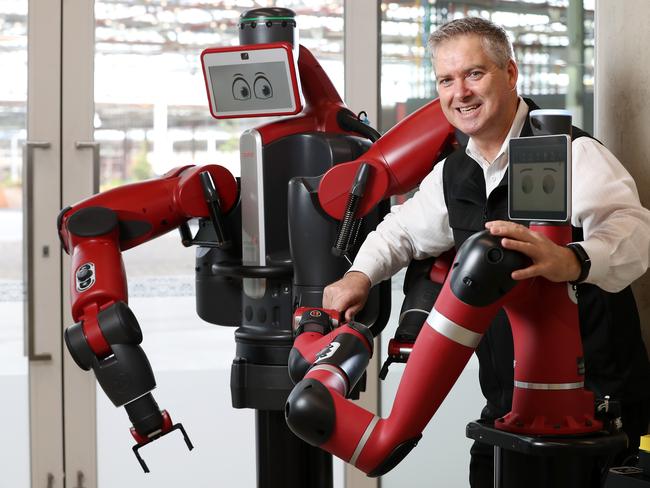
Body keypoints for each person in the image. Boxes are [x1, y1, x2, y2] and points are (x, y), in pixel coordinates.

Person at [323, 17, 650, 488]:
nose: (461, 92)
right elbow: (404, 233)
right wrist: (359, 275)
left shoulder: (571, 151)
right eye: (446, 80)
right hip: (507, 411)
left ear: (511, 74)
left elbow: (634, 231)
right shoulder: (455, 172)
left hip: (596, 414)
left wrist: (572, 259)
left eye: (475, 73)